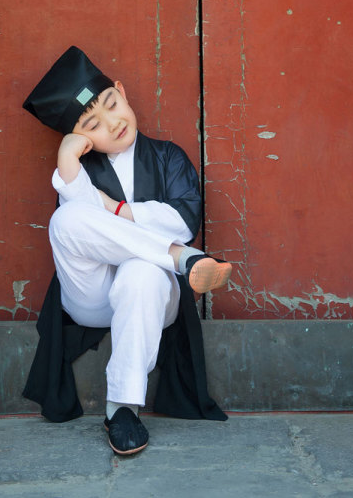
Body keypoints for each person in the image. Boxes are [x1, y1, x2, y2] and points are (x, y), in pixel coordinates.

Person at [22, 46, 232, 455]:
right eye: (92, 124)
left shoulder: (168, 156)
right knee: (65, 220)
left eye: (112, 104)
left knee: (141, 271)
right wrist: (67, 160)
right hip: (92, 295)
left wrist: (115, 209)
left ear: (121, 91)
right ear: (81, 139)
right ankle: (179, 257)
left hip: (152, 294)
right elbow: (80, 228)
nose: (113, 123)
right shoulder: (83, 171)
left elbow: (183, 221)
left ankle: (121, 409)